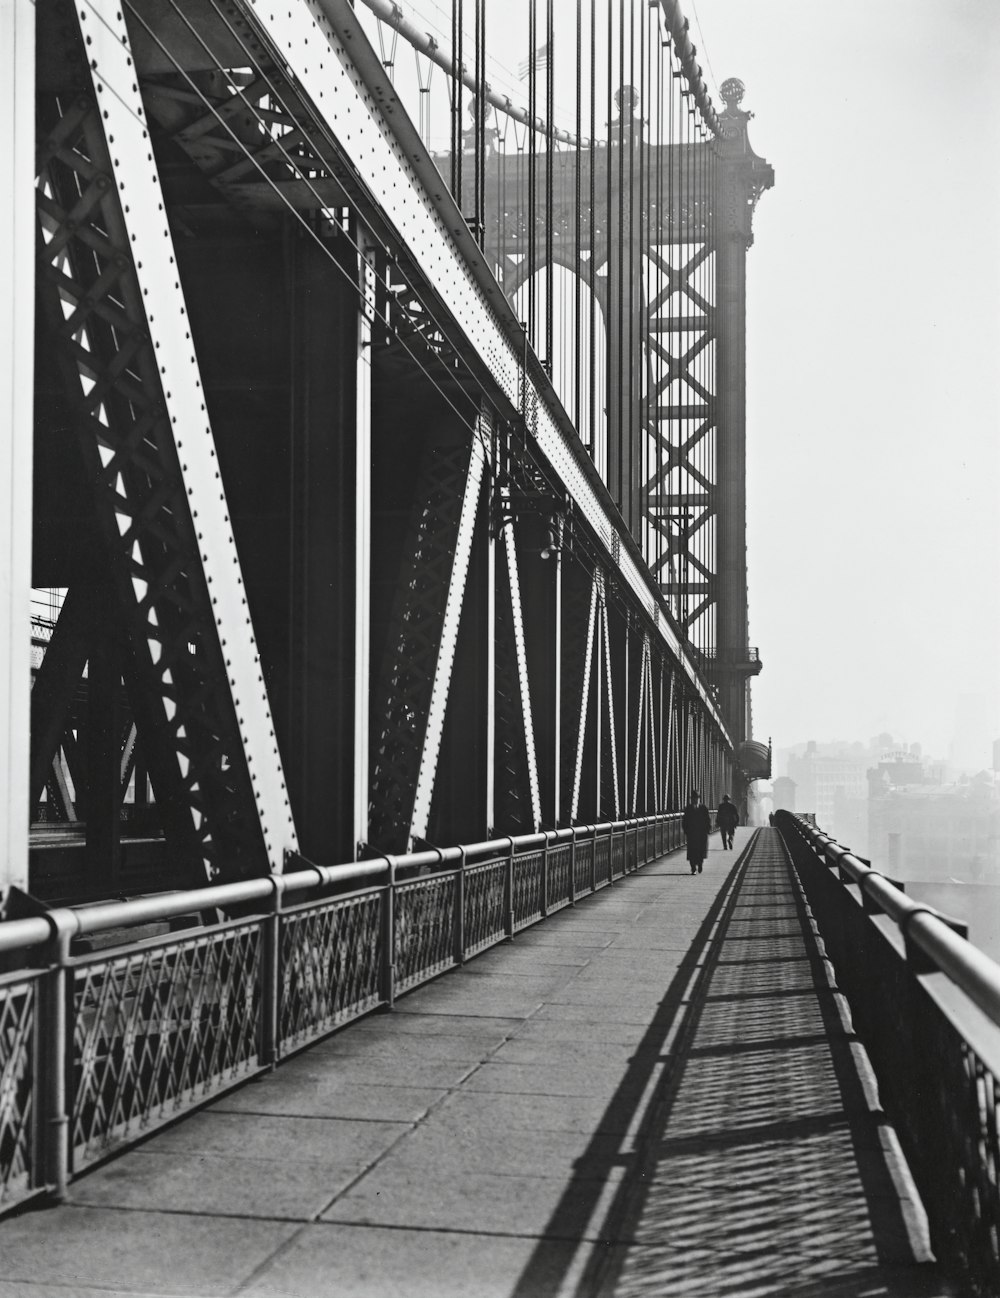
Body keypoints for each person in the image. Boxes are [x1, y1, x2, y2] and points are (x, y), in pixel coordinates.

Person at [682, 790, 712, 875]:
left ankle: (700, 864)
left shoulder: (704, 808)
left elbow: (707, 820)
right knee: (692, 851)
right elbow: (685, 821)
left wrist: (707, 830)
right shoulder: (688, 809)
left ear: (699, 799)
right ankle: (693, 868)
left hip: (702, 834)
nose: (695, 800)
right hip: (692, 834)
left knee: (700, 850)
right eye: (693, 798)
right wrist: (686, 831)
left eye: (696, 798)